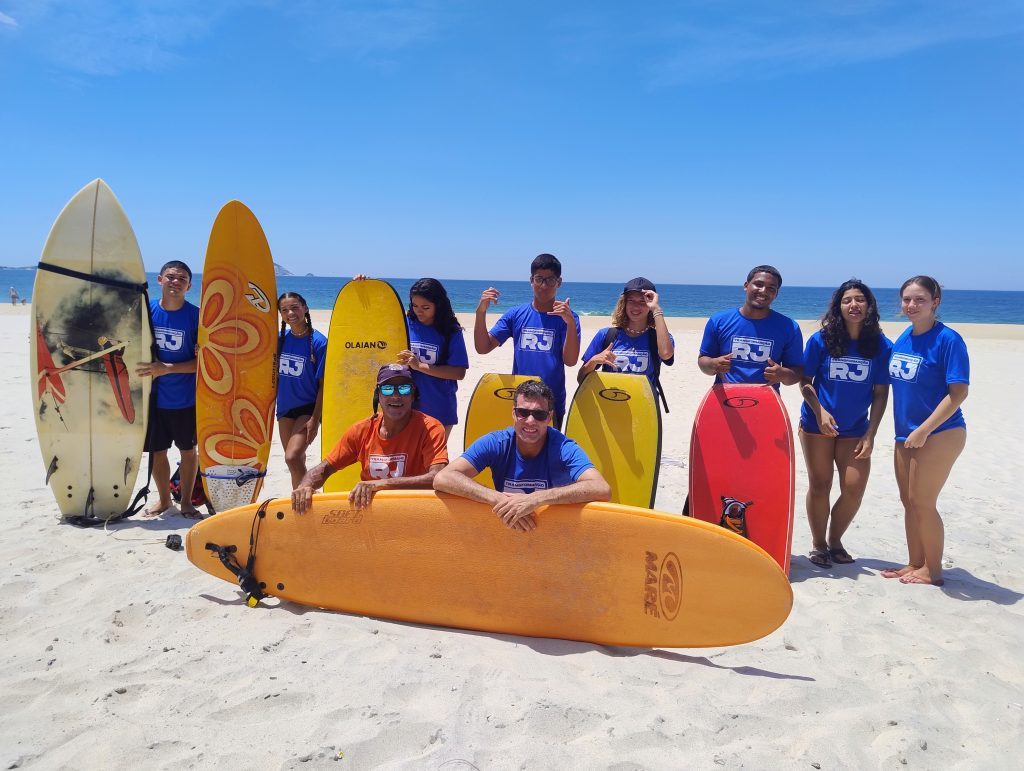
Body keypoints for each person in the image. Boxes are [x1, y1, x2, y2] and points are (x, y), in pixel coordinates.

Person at [433, 380, 611, 532]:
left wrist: (536, 499)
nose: (530, 421)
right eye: (523, 412)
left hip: (554, 532)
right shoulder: (496, 442)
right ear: (513, 413)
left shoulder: (564, 447)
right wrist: (497, 499)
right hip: (508, 525)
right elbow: (443, 478)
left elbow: (601, 488)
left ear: (549, 417)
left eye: (539, 414)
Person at [882, 276, 968, 587]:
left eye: (919, 299)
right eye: (906, 299)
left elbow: (958, 393)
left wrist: (924, 430)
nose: (911, 305)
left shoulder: (949, 340)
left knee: (923, 501)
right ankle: (915, 562)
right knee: (908, 501)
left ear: (935, 302)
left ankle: (933, 570)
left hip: (941, 432)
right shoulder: (905, 336)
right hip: (905, 434)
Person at [799, 279, 891, 567]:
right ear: (838, 307)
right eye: (847, 300)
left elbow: (880, 393)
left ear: (869, 306)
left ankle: (835, 539)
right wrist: (820, 412)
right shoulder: (821, 340)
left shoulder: (880, 345)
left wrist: (871, 433)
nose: (854, 304)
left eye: (860, 299)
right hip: (817, 426)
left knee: (853, 487)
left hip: (855, 429)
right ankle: (818, 544)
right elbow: (804, 382)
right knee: (820, 484)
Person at [291, 364, 449, 513]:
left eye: (404, 389)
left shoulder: (431, 428)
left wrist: (381, 485)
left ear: (413, 394)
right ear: (378, 395)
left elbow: (437, 477)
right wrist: (305, 485)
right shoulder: (361, 430)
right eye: (387, 389)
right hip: (371, 514)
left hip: (415, 512)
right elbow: (325, 468)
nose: (395, 396)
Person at [474, 253, 581, 429]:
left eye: (550, 280)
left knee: (547, 455)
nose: (544, 286)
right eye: (539, 279)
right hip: (522, 401)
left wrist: (569, 323)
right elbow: (483, 347)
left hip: (551, 403)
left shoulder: (569, 318)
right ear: (531, 280)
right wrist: (481, 312)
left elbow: (570, 361)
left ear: (559, 282)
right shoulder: (516, 315)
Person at [135, 260, 201, 518]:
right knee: (157, 451)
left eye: (182, 279)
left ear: (189, 286)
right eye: (171, 277)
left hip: (185, 399)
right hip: (152, 399)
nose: (176, 282)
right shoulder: (146, 313)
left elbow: (203, 364)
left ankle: (185, 502)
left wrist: (167, 368)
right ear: (160, 280)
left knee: (188, 451)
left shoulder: (197, 316)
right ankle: (164, 501)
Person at [698, 265, 803, 388]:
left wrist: (783, 374)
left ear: (776, 294)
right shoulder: (719, 321)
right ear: (746, 285)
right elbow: (703, 361)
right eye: (758, 284)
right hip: (725, 397)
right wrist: (712, 364)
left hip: (767, 399)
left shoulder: (790, 327)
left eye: (771, 288)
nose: (763, 291)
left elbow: (797, 371)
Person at [577, 277, 674, 407]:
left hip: (645, 407)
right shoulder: (606, 335)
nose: (636, 307)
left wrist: (656, 309)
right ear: (624, 303)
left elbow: (666, 354)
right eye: (631, 301)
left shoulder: (658, 337)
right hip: (609, 405)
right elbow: (581, 378)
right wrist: (593, 361)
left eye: (642, 301)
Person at [395, 278, 468, 438]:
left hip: (439, 407)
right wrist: (363, 286)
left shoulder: (450, 331)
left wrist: (419, 366)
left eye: (425, 307)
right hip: (405, 406)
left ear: (438, 305)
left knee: (435, 461)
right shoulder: (404, 324)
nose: (419, 311)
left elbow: (458, 373)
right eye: (415, 306)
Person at [276, 292, 327, 488]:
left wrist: (315, 418)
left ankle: (304, 496)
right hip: (285, 408)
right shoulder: (279, 340)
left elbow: (324, 384)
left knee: (292, 457)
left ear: (305, 308)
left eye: (295, 307)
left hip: (308, 408)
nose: (290, 313)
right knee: (297, 461)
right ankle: (302, 502)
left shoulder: (318, 342)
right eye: (285, 310)